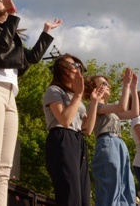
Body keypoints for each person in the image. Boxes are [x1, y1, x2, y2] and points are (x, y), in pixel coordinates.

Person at [0, 0, 61, 206]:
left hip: (10, 94)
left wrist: (46, 33)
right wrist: (12, 16)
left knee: (4, 168)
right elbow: (1, 45)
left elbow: (31, 59)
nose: (3, 2)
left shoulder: (12, 36)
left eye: (3, 0)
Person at [43, 54, 104, 206]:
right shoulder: (54, 90)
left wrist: (94, 103)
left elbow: (88, 130)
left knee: (83, 197)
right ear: (61, 68)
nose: (77, 68)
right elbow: (64, 120)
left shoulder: (75, 97)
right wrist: (78, 94)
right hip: (62, 138)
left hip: (78, 141)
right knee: (70, 195)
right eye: (72, 65)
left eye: (78, 66)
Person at [83, 68, 139, 206]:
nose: (108, 86)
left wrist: (133, 88)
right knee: (110, 186)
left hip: (119, 143)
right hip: (107, 142)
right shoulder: (93, 105)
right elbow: (122, 107)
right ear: (94, 88)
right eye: (103, 83)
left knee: (126, 186)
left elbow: (134, 113)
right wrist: (125, 85)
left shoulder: (108, 107)